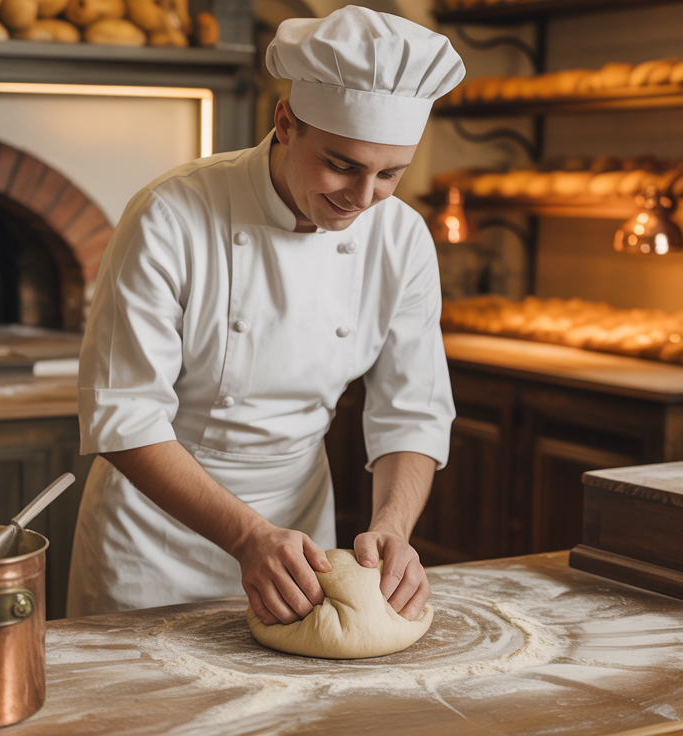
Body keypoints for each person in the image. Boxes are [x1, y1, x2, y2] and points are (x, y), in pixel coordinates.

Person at [67, 5, 463, 627]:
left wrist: (393, 528)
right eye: (342, 164)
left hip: (302, 538)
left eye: (390, 174)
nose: (363, 199)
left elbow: (412, 411)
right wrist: (247, 536)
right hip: (155, 536)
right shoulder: (171, 215)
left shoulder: (402, 237)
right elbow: (125, 412)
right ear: (285, 122)